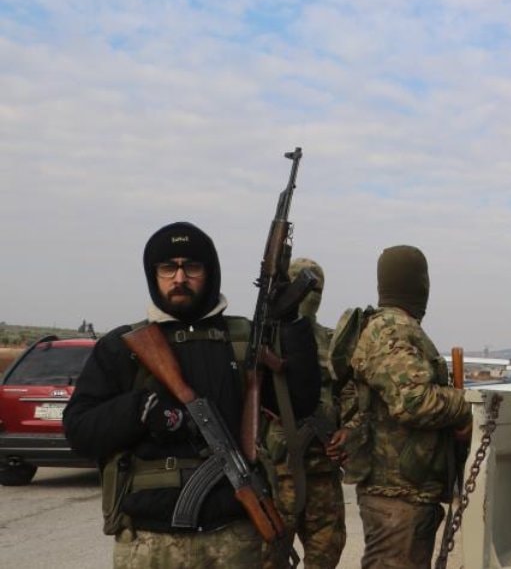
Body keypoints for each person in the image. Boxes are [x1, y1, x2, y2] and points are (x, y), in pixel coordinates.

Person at [63, 221, 321, 567]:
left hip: (235, 539)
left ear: (210, 272)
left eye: (192, 267)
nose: (180, 278)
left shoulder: (244, 340)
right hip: (149, 542)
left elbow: (300, 403)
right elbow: (79, 431)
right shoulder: (123, 347)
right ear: (153, 274)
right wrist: (138, 410)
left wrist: (290, 323)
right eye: (168, 268)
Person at [328, 245, 472, 569]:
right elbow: (415, 402)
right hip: (395, 494)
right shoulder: (390, 329)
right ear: (420, 284)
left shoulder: (391, 327)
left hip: (406, 490)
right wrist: (464, 405)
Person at [263, 258, 346, 569]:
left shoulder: (333, 342)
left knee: (328, 551)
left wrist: (348, 430)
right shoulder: (265, 339)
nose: (311, 297)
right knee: (269, 556)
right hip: (277, 471)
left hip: (322, 470)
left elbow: (352, 394)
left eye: (317, 290)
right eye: (303, 289)